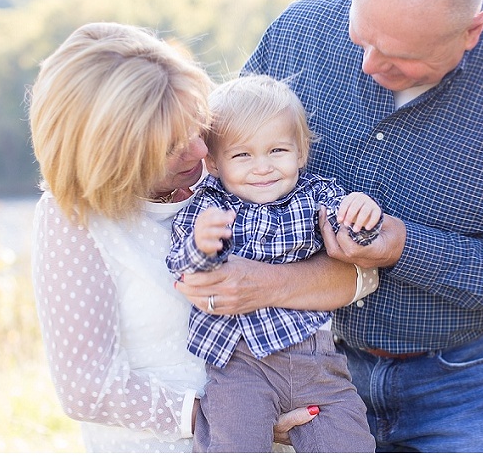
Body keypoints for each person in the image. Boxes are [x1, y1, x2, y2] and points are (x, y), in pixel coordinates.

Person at [184, 0, 483, 452]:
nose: (368, 64)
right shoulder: (299, 33)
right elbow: (210, 165)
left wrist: (408, 249)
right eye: (361, 38)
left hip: (464, 385)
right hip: (301, 363)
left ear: (472, 29)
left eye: (403, 58)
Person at [28, 22, 371, 452]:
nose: (198, 151)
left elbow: (360, 277)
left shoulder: (237, 171)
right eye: (169, 147)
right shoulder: (72, 220)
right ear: (113, 156)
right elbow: (87, 388)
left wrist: (272, 284)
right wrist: (230, 418)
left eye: (197, 125)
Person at [166, 75, 380, 452]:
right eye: (242, 155)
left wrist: (363, 217)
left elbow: (354, 244)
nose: (262, 167)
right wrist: (203, 244)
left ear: (300, 153)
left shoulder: (318, 196)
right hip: (238, 365)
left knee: (349, 441)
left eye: (277, 150)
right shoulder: (206, 208)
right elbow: (181, 265)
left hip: (314, 361)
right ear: (214, 163)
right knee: (235, 443)